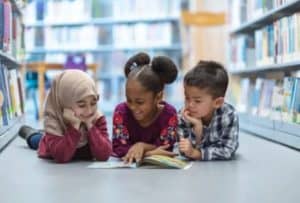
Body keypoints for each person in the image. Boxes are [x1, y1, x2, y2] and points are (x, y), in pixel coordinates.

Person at [18, 69, 112, 163]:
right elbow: (61, 157)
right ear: (65, 101)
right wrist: (74, 126)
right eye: (81, 105)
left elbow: (104, 155)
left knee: (44, 137)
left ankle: (41, 133)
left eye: (93, 103)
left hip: (68, 143)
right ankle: (30, 133)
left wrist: (90, 125)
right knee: (38, 140)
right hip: (51, 146)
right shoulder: (54, 118)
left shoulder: (96, 117)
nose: (89, 111)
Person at [112, 52, 178, 164]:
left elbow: (166, 148)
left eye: (140, 102)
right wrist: (149, 153)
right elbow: (119, 148)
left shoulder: (169, 114)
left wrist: (141, 146)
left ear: (158, 97)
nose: (133, 107)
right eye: (129, 100)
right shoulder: (121, 112)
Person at [178, 60, 239, 161]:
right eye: (187, 98)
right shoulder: (183, 115)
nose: (190, 104)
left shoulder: (228, 115)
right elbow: (183, 150)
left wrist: (196, 153)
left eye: (197, 101)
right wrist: (198, 129)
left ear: (217, 103)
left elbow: (228, 150)